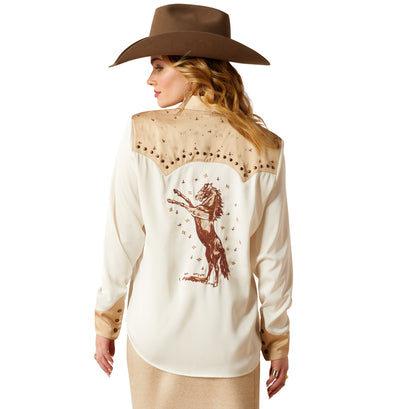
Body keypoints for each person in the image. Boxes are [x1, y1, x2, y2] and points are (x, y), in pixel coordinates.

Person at [94, 4, 293, 409]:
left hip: (155, 341)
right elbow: (273, 259)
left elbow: (121, 242)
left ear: (194, 68)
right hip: (231, 348)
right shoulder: (265, 147)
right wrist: (277, 341)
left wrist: (105, 321)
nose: (150, 79)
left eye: (159, 66)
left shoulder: (141, 133)